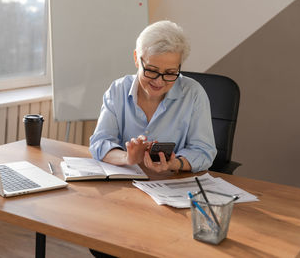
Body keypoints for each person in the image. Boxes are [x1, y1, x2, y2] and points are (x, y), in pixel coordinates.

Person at [89, 20, 216, 174]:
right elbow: (100, 142)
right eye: (151, 70)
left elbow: (204, 151)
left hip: (174, 185)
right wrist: (128, 158)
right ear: (136, 58)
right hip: (127, 183)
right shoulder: (118, 90)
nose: (159, 81)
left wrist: (172, 164)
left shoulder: (194, 93)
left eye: (170, 73)